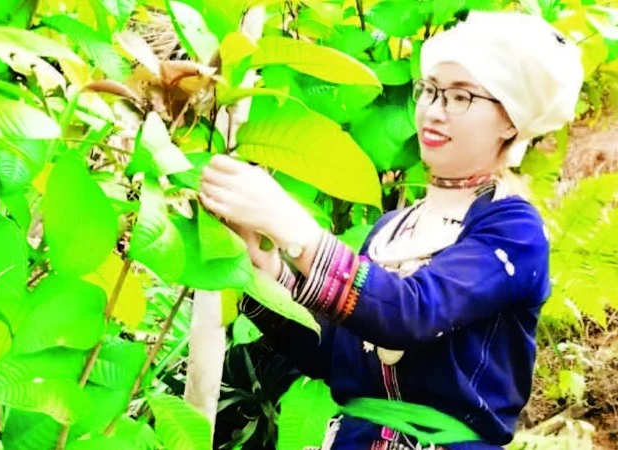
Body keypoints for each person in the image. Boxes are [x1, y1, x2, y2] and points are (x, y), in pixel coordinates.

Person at [198, 11, 584, 450]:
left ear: (511, 121)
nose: (435, 111)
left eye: (461, 97)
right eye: (430, 90)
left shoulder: (512, 230)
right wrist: (263, 271)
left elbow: (410, 313)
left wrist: (289, 225)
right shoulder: (391, 229)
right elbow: (333, 356)